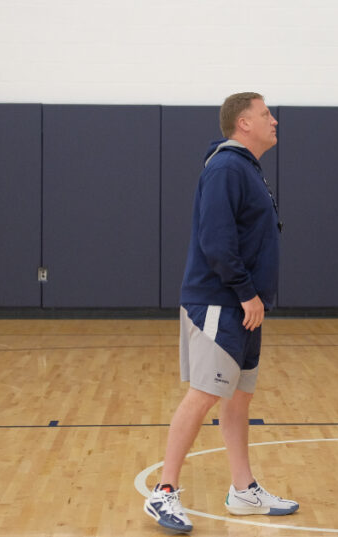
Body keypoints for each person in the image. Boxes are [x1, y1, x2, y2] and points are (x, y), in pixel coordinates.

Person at [143, 92, 297, 534]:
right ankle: (164, 491)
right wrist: (247, 293)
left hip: (246, 306)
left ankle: (243, 489)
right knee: (204, 394)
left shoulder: (247, 168)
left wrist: (254, 299)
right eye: (266, 114)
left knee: (238, 399)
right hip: (221, 302)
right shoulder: (227, 167)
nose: (275, 121)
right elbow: (216, 240)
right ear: (243, 123)